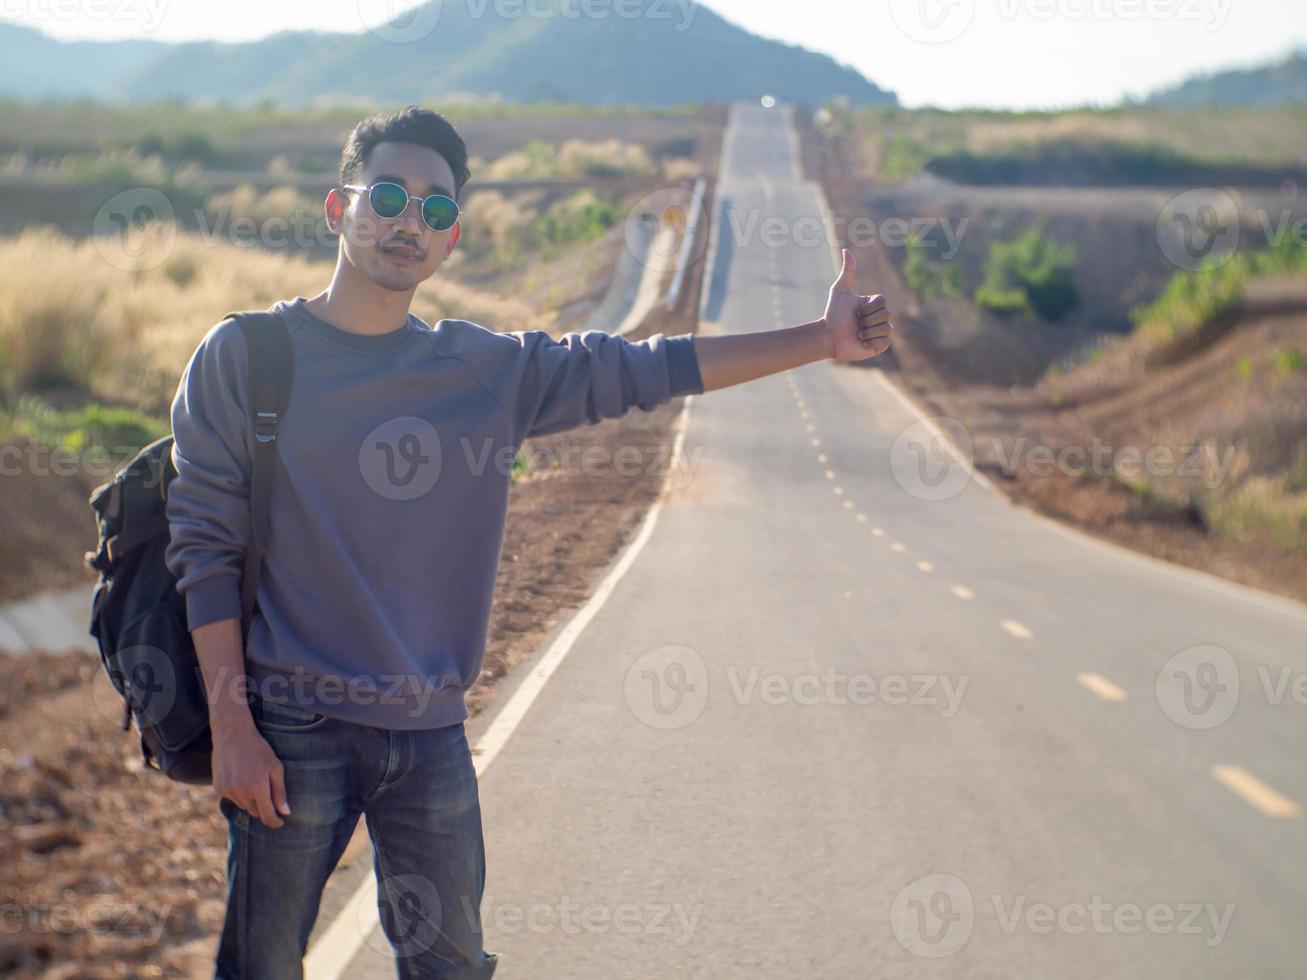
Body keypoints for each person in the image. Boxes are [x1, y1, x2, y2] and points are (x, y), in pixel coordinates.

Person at [164, 103, 893, 980]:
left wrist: (820, 340)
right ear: (337, 208)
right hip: (290, 728)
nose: (409, 221)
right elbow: (203, 547)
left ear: (452, 239)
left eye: (435, 209)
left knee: (452, 969)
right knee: (262, 968)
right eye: (388, 195)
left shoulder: (484, 373)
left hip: (428, 736)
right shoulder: (246, 357)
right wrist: (232, 724)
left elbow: (645, 368)